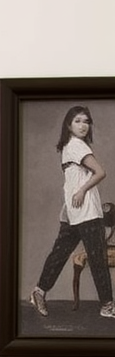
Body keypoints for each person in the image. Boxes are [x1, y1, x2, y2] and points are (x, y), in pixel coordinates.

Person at [30, 105, 115, 319]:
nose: (83, 125)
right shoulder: (77, 145)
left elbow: (74, 180)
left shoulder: (69, 146)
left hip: (73, 211)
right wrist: (82, 190)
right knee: (98, 259)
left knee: (59, 253)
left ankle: (39, 292)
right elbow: (101, 172)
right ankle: (107, 306)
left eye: (86, 121)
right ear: (68, 125)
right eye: (78, 121)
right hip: (85, 211)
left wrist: (73, 199)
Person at [72, 201, 115, 308]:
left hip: (111, 250)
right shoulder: (97, 226)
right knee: (80, 257)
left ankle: (107, 303)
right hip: (100, 249)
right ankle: (76, 302)